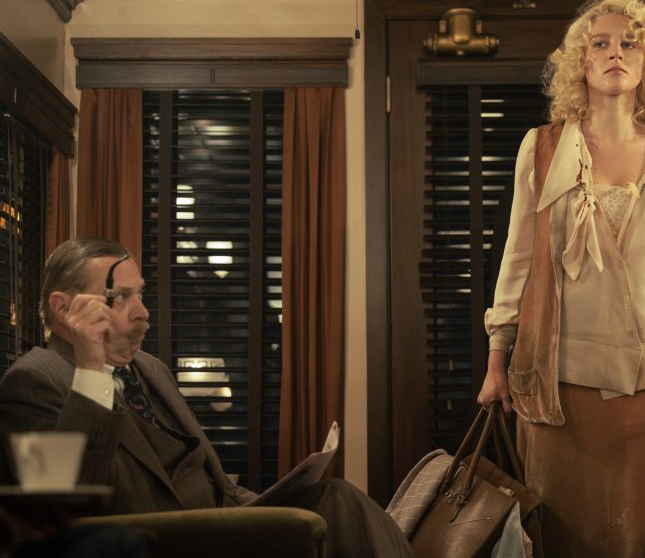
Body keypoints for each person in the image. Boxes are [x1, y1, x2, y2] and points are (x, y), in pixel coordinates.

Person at [0, 237, 412, 558]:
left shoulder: (151, 369)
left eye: (140, 293)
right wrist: (90, 372)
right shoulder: (33, 380)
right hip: (162, 543)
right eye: (121, 296)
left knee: (336, 500)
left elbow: (211, 481)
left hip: (223, 526)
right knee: (339, 504)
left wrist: (274, 504)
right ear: (63, 308)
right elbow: (52, 509)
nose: (142, 312)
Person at [475, 0, 645, 557]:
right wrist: (496, 360)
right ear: (580, 62)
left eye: (630, 43)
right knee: (565, 535)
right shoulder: (543, 146)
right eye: (600, 43)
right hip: (559, 377)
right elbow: (518, 257)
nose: (615, 53)